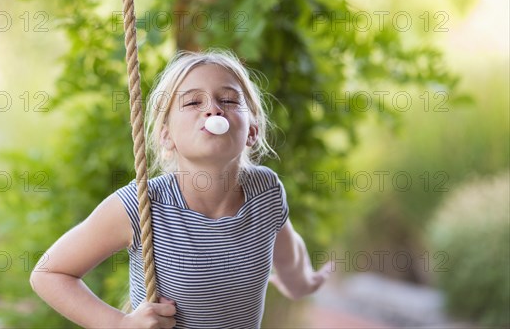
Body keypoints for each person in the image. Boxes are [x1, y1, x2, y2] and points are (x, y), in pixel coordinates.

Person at [30, 50, 333, 329]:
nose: (213, 109)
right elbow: (49, 273)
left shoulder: (266, 192)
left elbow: (290, 263)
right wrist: (120, 325)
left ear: (252, 131)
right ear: (166, 136)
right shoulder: (141, 205)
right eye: (192, 102)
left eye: (228, 100)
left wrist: (306, 283)